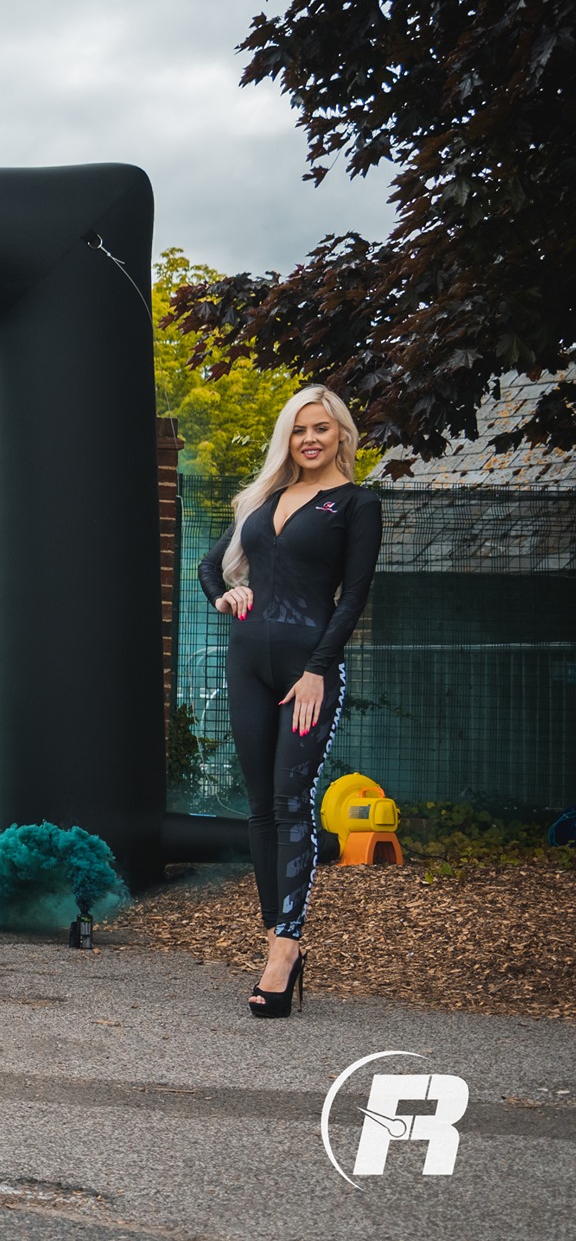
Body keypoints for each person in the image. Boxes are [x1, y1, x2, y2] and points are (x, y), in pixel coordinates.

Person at [198, 384, 381, 1019]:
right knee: (258, 809)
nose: (310, 439)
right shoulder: (264, 500)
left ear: (341, 437)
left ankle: (285, 950)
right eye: (300, 429)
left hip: (308, 669)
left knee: (289, 800)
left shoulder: (356, 505)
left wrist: (317, 670)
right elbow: (209, 566)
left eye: (322, 429)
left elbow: (353, 598)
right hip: (248, 662)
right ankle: (276, 935)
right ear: (289, 436)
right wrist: (224, 597)